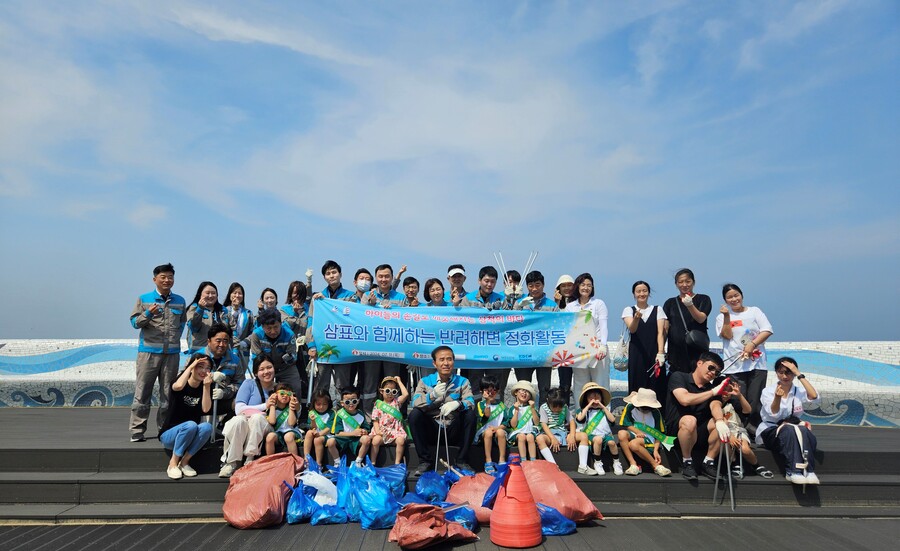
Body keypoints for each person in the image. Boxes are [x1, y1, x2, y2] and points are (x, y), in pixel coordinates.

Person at [129, 263, 187, 443]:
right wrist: (148, 313)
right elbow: (134, 323)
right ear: (155, 279)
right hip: (148, 353)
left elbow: (182, 323)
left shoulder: (180, 300)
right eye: (163, 277)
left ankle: (165, 429)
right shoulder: (144, 298)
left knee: (168, 394)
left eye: (170, 277)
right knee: (142, 392)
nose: (167, 280)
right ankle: (137, 431)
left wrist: (175, 340)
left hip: (171, 354)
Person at [410, 346, 477, 476]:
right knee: (415, 415)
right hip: (433, 429)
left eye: (449, 359)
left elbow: (470, 402)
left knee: (470, 415)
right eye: (441, 359)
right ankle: (425, 461)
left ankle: (462, 460)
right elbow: (415, 402)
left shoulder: (462, 381)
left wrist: (458, 404)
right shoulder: (425, 381)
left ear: (453, 362)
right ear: (434, 363)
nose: (446, 363)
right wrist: (432, 395)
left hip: (453, 429)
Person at [716, 283, 773, 432]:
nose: (734, 299)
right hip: (735, 366)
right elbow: (727, 335)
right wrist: (727, 316)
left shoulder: (755, 311)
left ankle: (755, 430)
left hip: (757, 364)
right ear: (725, 300)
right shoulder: (721, 317)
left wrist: (752, 344)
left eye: (736, 295)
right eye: (729, 297)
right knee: (737, 399)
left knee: (755, 399)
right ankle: (738, 428)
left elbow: (767, 330)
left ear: (742, 295)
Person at [665, 351, 731, 480]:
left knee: (722, 422)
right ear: (699, 363)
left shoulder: (712, 390)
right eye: (711, 368)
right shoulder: (679, 377)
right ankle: (687, 461)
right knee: (690, 420)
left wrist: (719, 421)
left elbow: (715, 406)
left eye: (717, 372)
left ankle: (708, 461)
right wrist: (712, 392)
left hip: (700, 433)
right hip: (677, 432)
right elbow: (684, 399)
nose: (713, 373)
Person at [757, 357, 821, 485]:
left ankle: (809, 470)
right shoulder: (768, 391)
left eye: (789, 372)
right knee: (788, 430)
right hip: (771, 430)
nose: (784, 376)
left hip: (794, 429)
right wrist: (777, 398)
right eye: (781, 372)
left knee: (804, 430)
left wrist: (799, 374)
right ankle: (793, 471)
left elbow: (814, 396)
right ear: (776, 373)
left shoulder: (799, 391)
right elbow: (774, 414)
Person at [218, 354, 278, 478]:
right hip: (244, 425)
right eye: (262, 369)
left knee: (257, 418)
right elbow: (239, 409)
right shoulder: (249, 384)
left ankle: (250, 459)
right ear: (256, 373)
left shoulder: (280, 388)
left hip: (266, 427)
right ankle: (230, 462)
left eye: (269, 367)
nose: (266, 372)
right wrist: (265, 406)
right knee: (238, 420)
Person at [360, 264, 407, 413]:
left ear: (392, 278)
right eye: (380, 276)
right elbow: (359, 318)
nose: (383, 279)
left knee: (391, 383)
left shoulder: (401, 298)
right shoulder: (368, 296)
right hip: (372, 347)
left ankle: (391, 417)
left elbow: (407, 321)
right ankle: (369, 416)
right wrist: (371, 306)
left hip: (393, 348)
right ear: (376, 278)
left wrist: (393, 312)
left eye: (387, 276)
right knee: (369, 383)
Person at [159, 353, 213, 479]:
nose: (204, 371)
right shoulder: (180, 382)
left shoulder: (206, 386)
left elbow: (205, 409)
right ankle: (173, 463)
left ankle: (184, 462)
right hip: (169, 436)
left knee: (206, 427)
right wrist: (190, 367)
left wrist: (206, 387)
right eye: (200, 366)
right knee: (191, 424)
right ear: (192, 367)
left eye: (208, 368)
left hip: (189, 435)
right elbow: (177, 387)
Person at [309, 260, 359, 393]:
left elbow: (357, 317)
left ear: (340, 274)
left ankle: (341, 413)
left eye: (334, 272)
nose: (331, 276)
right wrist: (311, 345)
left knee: (342, 386)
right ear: (324, 277)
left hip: (343, 348)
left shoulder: (350, 296)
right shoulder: (318, 298)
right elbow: (311, 323)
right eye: (328, 273)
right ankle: (321, 413)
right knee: (321, 385)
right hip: (322, 348)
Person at [460, 266, 508, 396]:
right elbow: (461, 322)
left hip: (495, 350)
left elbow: (509, 321)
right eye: (486, 281)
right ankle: (475, 414)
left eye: (493, 282)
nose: (489, 284)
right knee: (475, 385)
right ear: (479, 281)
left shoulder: (502, 299)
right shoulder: (468, 299)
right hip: (475, 350)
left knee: (496, 386)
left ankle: (497, 415)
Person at [513, 270, 560, 404]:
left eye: (538, 285)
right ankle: (522, 419)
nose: (534, 289)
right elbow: (510, 324)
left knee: (544, 388)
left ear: (543, 285)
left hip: (544, 354)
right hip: (523, 353)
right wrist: (519, 308)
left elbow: (557, 328)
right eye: (531, 285)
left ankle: (542, 420)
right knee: (522, 388)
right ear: (527, 286)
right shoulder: (520, 303)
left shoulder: (552, 306)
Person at [623, 281, 668, 401]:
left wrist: (660, 352)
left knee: (656, 386)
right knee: (637, 386)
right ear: (634, 294)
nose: (641, 294)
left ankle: (658, 417)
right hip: (637, 353)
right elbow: (632, 329)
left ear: (648, 293)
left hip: (654, 353)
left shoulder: (658, 309)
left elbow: (660, 333)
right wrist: (636, 318)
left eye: (644, 291)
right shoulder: (629, 310)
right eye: (638, 291)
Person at [566, 273, 610, 392]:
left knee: (600, 382)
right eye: (583, 284)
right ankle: (580, 410)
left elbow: (603, 326)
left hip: (597, 349)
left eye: (589, 285)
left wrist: (603, 346)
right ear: (577, 286)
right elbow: (568, 329)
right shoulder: (570, 306)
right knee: (580, 384)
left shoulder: (598, 304)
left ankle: (603, 410)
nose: (586, 288)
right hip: (579, 349)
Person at [663, 268, 712, 374]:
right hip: (676, 354)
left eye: (688, 281)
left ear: (693, 282)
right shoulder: (670, 303)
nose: (684, 284)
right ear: (676, 284)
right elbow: (665, 328)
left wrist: (690, 305)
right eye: (680, 282)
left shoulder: (704, 299)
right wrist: (660, 350)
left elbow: (700, 319)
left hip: (697, 352)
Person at [714, 397, 774, 480]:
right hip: (721, 430)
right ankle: (735, 464)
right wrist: (730, 435)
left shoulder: (734, 402)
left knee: (744, 449)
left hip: (737, 429)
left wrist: (739, 395)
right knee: (723, 441)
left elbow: (747, 411)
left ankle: (756, 465)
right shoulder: (713, 403)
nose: (726, 394)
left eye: (729, 390)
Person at [616, 388, 672, 477]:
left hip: (650, 440)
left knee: (633, 444)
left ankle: (655, 465)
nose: (645, 409)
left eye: (648, 407)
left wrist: (656, 450)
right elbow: (627, 424)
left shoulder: (656, 413)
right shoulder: (630, 407)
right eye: (643, 407)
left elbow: (659, 434)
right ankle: (633, 464)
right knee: (621, 433)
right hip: (635, 434)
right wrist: (637, 432)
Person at [249, 308, 301, 393]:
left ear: (281, 323)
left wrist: (289, 357)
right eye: (269, 328)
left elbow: (293, 357)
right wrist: (267, 369)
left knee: (295, 389)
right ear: (262, 327)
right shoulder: (256, 335)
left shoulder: (289, 334)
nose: (273, 331)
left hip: (285, 367)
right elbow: (256, 358)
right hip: (265, 368)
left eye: (276, 327)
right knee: (261, 391)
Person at [574, 382, 621, 476]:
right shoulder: (584, 411)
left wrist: (603, 407)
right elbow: (579, 419)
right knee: (598, 440)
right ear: (586, 400)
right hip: (592, 436)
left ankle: (616, 462)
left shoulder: (604, 410)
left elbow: (612, 420)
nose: (595, 401)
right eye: (591, 398)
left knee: (612, 443)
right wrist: (588, 406)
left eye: (597, 398)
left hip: (606, 435)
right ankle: (598, 462)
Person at [200, 324, 244, 423]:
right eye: (218, 341)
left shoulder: (235, 360)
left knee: (240, 402)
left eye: (225, 341)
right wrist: (209, 376)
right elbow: (189, 379)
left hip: (223, 400)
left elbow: (240, 384)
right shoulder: (198, 357)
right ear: (209, 341)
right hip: (201, 400)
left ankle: (224, 427)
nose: (221, 344)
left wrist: (224, 393)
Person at [327, 386, 372, 468]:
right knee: (330, 442)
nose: (351, 404)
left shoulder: (360, 414)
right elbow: (337, 433)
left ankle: (358, 461)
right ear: (342, 403)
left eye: (354, 401)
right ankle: (337, 462)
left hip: (356, 440)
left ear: (358, 401)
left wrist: (364, 431)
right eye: (347, 402)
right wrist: (352, 433)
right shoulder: (340, 414)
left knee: (367, 439)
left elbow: (366, 428)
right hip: (343, 439)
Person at [370, 376, 410, 465]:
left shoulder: (396, 402)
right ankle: (372, 462)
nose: (390, 393)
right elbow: (375, 420)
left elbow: (406, 394)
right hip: (382, 431)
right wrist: (377, 431)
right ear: (381, 391)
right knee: (375, 441)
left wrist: (399, 381)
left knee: (401, 441)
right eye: (388, 391)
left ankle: (397, 462)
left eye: (394, 391)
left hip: (395, 431)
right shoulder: (378, 404)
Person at [474, 374, 508, 474]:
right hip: (484, 432)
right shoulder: (480, 405)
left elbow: (506, 422)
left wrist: (497, 428)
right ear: (482, 391)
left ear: (497, 391)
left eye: (493, 390)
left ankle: (502, 460)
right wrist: (488, 402)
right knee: (488, 432)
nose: (490, 393)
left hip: (497, 431)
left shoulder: (501, 405)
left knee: (501, 432)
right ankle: (488, 461)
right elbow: (485, 417)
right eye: (487, 390)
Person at [536, 388, 576, 465]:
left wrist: (572, 435)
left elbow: (571, 421)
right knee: (539, 438)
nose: (557, 409)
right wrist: (552, 438)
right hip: (549, 434)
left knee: (583, 436)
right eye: (554, 406)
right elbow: (543, 424)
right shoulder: (543, 408)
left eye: (559, 407)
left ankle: (583, 466)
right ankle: (552, 464)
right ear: (548, 401)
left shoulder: (564, 407)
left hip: (563, 434)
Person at [222, 282, 254, 375]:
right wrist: (234, 311)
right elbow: (223, 327)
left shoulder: (248, 313)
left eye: (240, 293)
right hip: (227, 350)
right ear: (230, 295)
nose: (237, 295)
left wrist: (245, 342)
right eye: (234, 293)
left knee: (240, 377)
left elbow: (253, 331)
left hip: (243, 351)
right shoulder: (223, 311)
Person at [186, 281, 225, 353]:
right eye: (207, 293)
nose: (210, 296)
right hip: (199, 352)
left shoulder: (223, 310)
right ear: (200, 294)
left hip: (218, 353)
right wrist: (200, 309)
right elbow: (194, 327)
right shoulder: (194, 308)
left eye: (213, 293)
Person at [554, 274, 576, 401]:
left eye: (570, 285)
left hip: (578, 349)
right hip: (563, 352)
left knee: (580, 383)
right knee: (564, 384)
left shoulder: (580, 304)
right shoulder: (555, 305)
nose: (567, 288)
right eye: (563, 286)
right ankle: (564, 413)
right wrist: (556, 303)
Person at [264, 383, 301, 457]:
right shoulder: (272, 407)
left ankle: (295, 461)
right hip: (278, 433)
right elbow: (272, 421)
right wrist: (272, 405)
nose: (285, 396)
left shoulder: (295, 406)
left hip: (292, 432)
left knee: (288, 436)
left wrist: (291, 405)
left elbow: (291, 423)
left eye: (289, 394)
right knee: (270, 437)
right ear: (275, 394)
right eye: (282, 393)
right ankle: (270, 461)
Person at [507, 380, 540, 461]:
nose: (524, 393)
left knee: (530, 436)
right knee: (521, 436)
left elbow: (536, 422)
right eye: (522, 390)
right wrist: (516, 411)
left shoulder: (532, 408)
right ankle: (523, 460)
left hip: (530, 431)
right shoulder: (512, 409)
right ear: (516, 392)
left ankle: (533, 460)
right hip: (517, 433)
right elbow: (513, 425)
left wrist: (532, 408)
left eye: (527, 392)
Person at [303, 390, 334, 468]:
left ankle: (319, 464)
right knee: (309, 433)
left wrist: (319, 434)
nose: (321, 407)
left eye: (324, 404)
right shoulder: (312, 412)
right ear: (314, 403)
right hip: (317, 433)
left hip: (327, 435)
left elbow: (329, 428)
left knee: (317, 440)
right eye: (318, 404)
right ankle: (306, 458)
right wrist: (313, 420)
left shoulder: (332, 413)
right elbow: (313, 427)